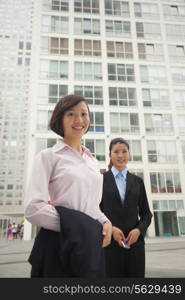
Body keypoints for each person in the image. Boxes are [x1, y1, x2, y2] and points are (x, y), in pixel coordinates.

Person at [25, 94, 112, 275]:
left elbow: (92, 207)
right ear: (60, 120)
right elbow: (34, 209)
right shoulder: (48, 157)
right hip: (59, 244)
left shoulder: (93, 161)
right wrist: (78, 227)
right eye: (71, 114)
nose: (79, 120)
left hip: (90, 245)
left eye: (84, 114)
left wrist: (105, 221)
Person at [100, 137, 152, 278]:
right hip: (109, 246)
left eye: (124, 151)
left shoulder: (138, 182)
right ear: (110, 155)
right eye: (116, 151)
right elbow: (94, 212)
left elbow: (147, 214)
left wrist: (138, 230)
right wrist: (111, 229)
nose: (121, 155)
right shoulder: (100, 180)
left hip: (135, 246)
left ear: (129, 154)